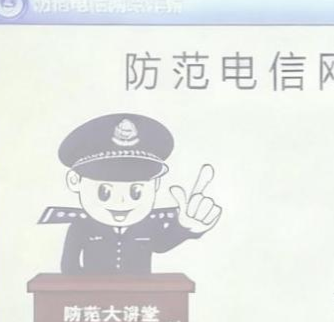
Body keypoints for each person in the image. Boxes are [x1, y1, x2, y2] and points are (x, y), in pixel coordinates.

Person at [38, 113, 221, 274]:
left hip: (143, 298)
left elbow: (161, 246)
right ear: (75, 181)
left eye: (136, 192)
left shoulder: (149, 224)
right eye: (104, 192)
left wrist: (186, 228)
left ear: (156, 184)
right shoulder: (81, 226)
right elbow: (69, 267)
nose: (121, 201)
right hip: (94, 298)